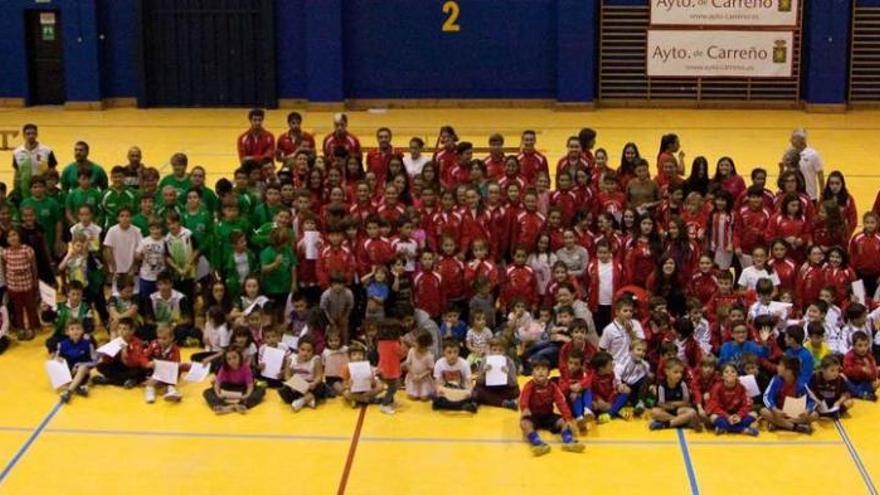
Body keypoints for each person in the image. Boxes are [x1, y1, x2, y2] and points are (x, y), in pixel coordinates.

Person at [518, 357, 585, 456]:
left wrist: (568, 418)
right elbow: (524, 398)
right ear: (532, 373)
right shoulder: (529, 386)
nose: (540, 372)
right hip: (533, 415)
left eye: (544, 369)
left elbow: (561, 402)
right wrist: (525, 408)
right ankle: (538, 443)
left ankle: (568, 441)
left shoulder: (553, 386)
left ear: (549, 373)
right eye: (537, 369)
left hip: (548, 415)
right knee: (524, 423)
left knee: (564, 422)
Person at [760, 356, 818, 434]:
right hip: (779, 413)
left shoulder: (801, 383)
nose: (777, 367)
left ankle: (780, 424)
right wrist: (774, 409)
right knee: (763, 411)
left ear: (789, 371)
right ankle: (795, 427)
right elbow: (767, 397)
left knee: (814, 415)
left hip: (796, 415)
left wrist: (807, 410)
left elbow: (812, 400)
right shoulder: (776, 380)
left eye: (780, 365)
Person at [2, 228, 40, 340]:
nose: (12, 238)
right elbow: (4, 268)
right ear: (7, 239)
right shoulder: (5, 252)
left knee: (30, 307)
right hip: (13, 286)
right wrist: (7, 283)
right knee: (17, 308)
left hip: (27, 284)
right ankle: (21, 328)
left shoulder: (27, 250)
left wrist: (35, 281)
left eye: (15, 235)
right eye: (9, 236)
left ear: (19, 236)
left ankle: (32, 328)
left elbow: (34, 267)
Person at [204, 348, 265, 414]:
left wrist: (246, 395)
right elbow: (217, 384)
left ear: (240, 357)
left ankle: (240, 405)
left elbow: (250, 386)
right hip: (227, 388)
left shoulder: (246, 367)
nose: (232, 361)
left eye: (234, 357)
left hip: (242, 388)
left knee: (261, 390)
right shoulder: (224, 368)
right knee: (207, 392)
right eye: (229, 359)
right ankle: (225, 407)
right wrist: (218, 394)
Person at [706, 363, 758, 435]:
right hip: (723, 416)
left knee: (754, 414)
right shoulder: (717, 387)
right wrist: (727, 416)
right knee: (713, 417)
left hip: (737, 416)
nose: (730, 374)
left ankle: (724, 428)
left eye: (733, 371)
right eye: (726, 372)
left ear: (737, 375)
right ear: (722, 376)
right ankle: (742, 429)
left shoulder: (742, 388)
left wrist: (739, 416)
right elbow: (714, 407)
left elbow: (746, 405)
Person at [649, 358, 701, 431]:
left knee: (692, 412)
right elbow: (661, 404)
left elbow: (686, 402)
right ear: (667, 372)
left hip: (679, 410)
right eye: (676, 372)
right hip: (666, 411)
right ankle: (681, 421)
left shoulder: (683, 384)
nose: (679, 375)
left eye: (681, 372)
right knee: (654, 412)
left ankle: (666, 424)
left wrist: (671, 404)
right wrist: (676, 404)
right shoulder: (661, 386)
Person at [432, 337, 478, 412]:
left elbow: (469, 381)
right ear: (444, 352)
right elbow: (437, 382)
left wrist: (469, 391)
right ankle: (461, 406)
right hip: (446, 391)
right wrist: (439, 390)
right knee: (433, 394)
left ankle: (450, 405)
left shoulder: (464, 363)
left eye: (455, 352)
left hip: (460, 390)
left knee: (475, 394)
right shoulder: (439, 363)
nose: (452, 355)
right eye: (449, 352)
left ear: (458, 352)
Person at [103, 207, 143, 291]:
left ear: (131, 218)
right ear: (118, 218)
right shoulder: (112, 230)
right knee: (116, 293)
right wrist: (114, 269)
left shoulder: (137, 231)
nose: (125, 218)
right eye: (122, 216)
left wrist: (133, 268)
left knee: (132, 292)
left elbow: (140, 250)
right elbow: (108, 249)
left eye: (128, 216)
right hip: (116, 269)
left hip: (132, 269)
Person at [143, 325, 184, 403]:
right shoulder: (154, 344)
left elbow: (176, 364)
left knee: (174, 374)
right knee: (150, 377)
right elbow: (145, 356)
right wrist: (148, 363)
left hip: (169, 372)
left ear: (172, 338)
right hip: (155, 370)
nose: (161, 341)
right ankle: (150, 390)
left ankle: (171, 390)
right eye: (159, 338)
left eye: (164, 338)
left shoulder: (175, 349)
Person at [786, 128, 824, 202]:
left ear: (802, 140)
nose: (790, 140)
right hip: (793, 195)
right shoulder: (789, 153)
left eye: (793, 138)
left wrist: (822, 194)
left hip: (810, 195)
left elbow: (820, 176)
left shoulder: (813, 154)